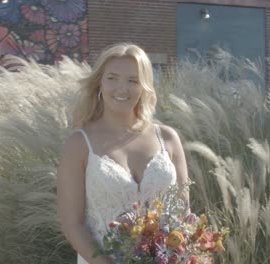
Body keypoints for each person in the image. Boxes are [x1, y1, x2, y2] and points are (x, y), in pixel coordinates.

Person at [56, 43, 189, 264]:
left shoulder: (168, 139)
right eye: (112, 78)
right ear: (99, 82)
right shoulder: (79, 144)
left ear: (144, 86)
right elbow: (72, 224)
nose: (121, 89)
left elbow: (183, 213)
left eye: (132, 81)